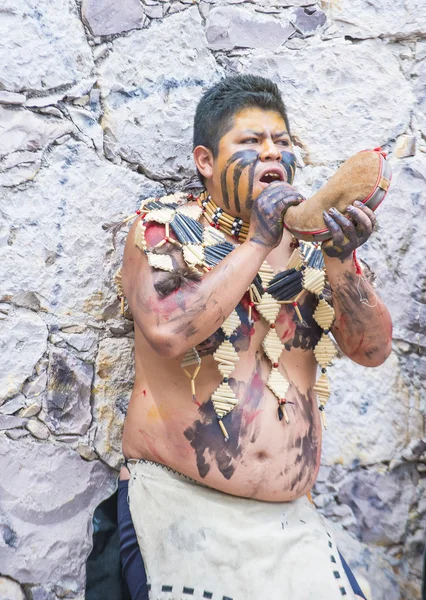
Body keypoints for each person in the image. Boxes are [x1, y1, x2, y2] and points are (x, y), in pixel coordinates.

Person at [116, 75, 392, 600]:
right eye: (250, 142)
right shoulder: (163, 227)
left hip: (292, 528)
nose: (273, 152)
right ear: (205, 161)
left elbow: (373, 351)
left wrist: (341, 261)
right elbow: (168, 332)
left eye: (282, 142)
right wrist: (261, 239)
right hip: (180, 509)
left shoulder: (316, 245)